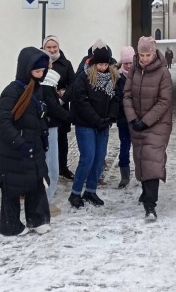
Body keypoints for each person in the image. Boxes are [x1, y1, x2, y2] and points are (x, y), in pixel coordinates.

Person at [0, 47, 51, 236]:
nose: (40, 75)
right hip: (14, 148)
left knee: (36, 181)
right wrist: (18, 141)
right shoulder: (12, 90)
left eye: (42, 71)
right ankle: (10, 224)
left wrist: (43, 135)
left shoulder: (37, 89)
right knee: (13, 186)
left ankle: (37, 220)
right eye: (37, 71)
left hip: (34, 144)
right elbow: (3, 120)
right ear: (26, 68)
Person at [123, 36, 173, 220]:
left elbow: (164, 101)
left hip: (157, 123)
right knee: (141, 158)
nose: (144, 58)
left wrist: (146, 121)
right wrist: (133, 118)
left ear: (154, 54)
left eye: (148, 55)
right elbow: (127, 95)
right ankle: (146, 192)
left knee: (152, 159)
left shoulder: (163, 72)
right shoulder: (134, 69)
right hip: (136, 121)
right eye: (142, 55)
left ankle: (150, 205)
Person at [68, 41, 119, 209]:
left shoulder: (113, 77)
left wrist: (110, 117)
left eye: (105, 64)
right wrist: (97, 119)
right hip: (86, 124)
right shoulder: (84, 77)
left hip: (103, 125)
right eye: (100, 64)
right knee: (88, 157)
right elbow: (81, 102)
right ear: (94, 63)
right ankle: (75, 192)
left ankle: (90, 190)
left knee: (99, 158)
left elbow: (116, 98)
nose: (103, 67)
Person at [42, 35, 76, 182]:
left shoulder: (66, 64)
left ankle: (62, 167)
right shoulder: (39, 61)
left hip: (61, 105)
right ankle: (45, 169)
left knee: (62, 139)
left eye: (54, 47)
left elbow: (73, 84)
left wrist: (63, 98)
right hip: (44, 107)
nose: (52, 50)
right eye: (48, 47)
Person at [40, 62, 71, 216]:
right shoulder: (46, 84)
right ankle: (45, 201)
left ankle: (46, 199)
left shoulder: (49, 82)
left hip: (50, 125)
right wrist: (71, 117)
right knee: (50, 164)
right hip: (48, 127)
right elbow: (54, 107)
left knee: (51, 163)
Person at [116, 46, 136, 188]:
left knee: (140, 148)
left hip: (138, 119)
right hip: (123, 119)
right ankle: (124, 175)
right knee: (124, 147)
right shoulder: (118, 78)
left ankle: (143, 173)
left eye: (130, 63)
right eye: (125, 63)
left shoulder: (140, 75)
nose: (128, 66)